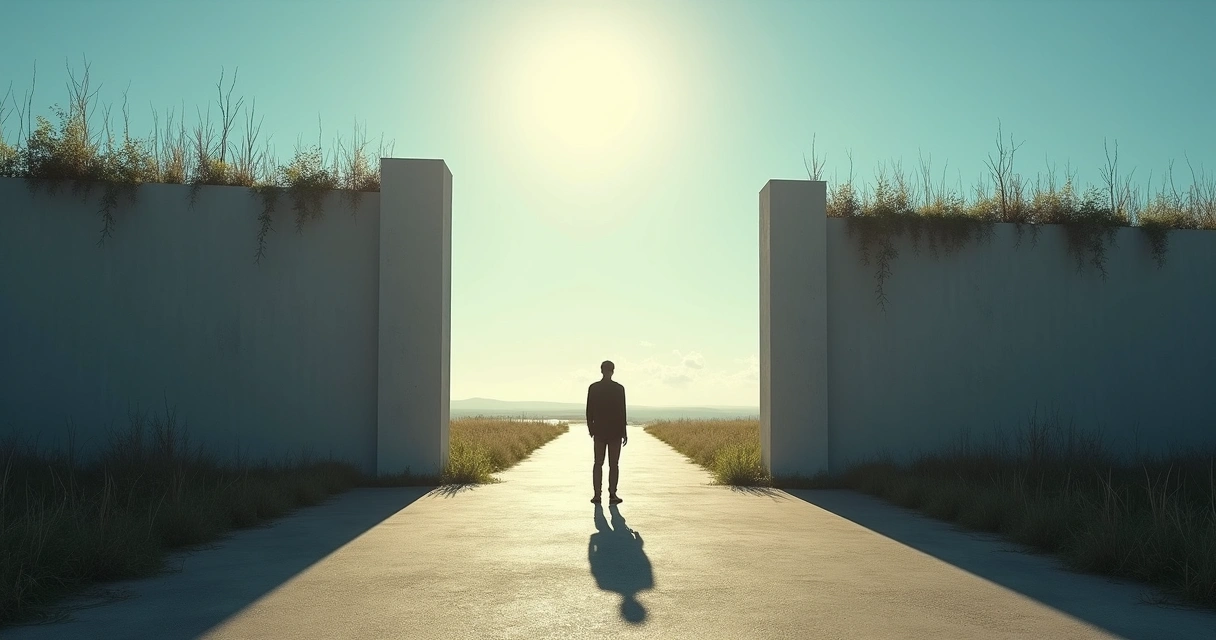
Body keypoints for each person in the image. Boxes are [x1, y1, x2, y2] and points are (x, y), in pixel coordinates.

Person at [586, 360, 627, 504]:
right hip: (615, 432)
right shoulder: (619, 389)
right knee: (613, 464)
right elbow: (622, 412)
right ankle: (612, 495)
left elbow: (589, 411)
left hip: (599, 432)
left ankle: (597, 495)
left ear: (601, 370)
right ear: (613, 371)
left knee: (598, 463)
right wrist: (624, 432)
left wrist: (591, 429)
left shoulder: (594, 388)